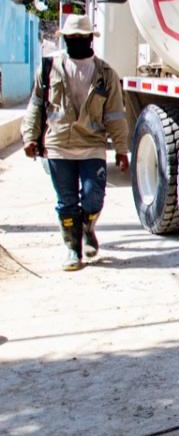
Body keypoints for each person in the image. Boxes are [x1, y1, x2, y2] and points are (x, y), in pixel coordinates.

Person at [21, 15, 129, 271]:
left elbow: (115, 114)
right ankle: (72, 249)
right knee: (66, 201)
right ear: (65, 39)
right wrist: (29, 136)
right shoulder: (49, 69)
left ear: (90, 39)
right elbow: (36, 106)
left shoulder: (105, 74)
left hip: (92, 145)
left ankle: (87, 227)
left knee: (94, 198)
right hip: (59, 145)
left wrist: (122, 149)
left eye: (81, 38)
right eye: (72, 38)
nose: (76, 42)